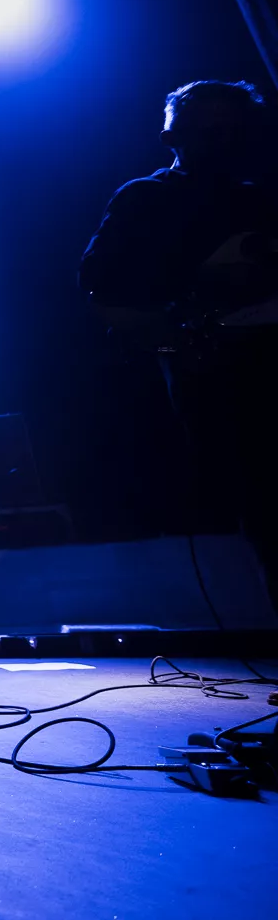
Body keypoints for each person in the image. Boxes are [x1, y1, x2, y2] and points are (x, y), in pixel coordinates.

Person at [79, 79, 278, 610]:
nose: (223, 139)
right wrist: (180, 316)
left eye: (233, 129)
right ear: (174, 136)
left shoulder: (258, 198)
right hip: (213, 367)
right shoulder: (146, 198)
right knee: (262, 503)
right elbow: (98, 284)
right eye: (210, 129)